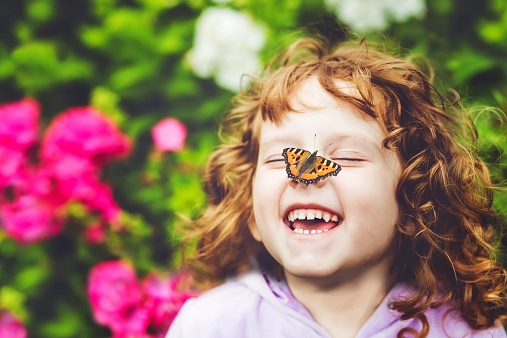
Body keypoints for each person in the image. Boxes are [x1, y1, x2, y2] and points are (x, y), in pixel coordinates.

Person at [166, 36, 507, 337]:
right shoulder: (210, 326)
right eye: (280, 159)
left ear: (413, 202)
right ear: (251, 213)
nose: (305, 175)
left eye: (347, 157)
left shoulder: (463, 331)